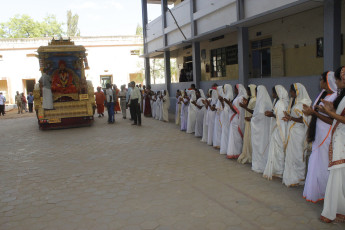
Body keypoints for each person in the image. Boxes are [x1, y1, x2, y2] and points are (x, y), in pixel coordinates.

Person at [302, 71, 338, 203]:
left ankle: (326, 192)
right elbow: (316, 111)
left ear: (327, 81)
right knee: (315, 163)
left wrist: (314, 113)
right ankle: (315, 192)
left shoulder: (335, 97)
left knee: (324, 164)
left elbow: (332, 120)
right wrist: (310, 110)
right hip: (318, 133)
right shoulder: (323, 94)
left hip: (327, 134)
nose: (320, 82)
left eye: (321, 80)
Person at [319, 66, 345, 223]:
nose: (335, 81)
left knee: (336, 173)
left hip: (342, 139)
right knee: (339, 173)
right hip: (339, 137)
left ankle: (330, 212)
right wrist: (331, 108)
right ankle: (338, 208)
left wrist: (330, 113)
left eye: (337, 78)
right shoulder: (342, 96)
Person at [282, 83, 312, 187]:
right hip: (292, 131)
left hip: (299, 132)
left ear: (297, 91)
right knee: (291, 154)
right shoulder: (294, 101)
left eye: (291, 91)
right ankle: (291, 177)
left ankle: (299, 176)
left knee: (298, 155)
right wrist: (288, 117)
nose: (290, 93)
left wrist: (290, 118)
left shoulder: (304, 103)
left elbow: (303, 119)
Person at [263, 85, 289, 180]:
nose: (272, 94)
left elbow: (281, 117)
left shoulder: (281, 103)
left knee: (279, 150)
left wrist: (272, 115)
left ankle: (280, 171)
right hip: (276, 128)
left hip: (279, 130)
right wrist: (271, 114)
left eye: (273, 92)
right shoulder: (276, 102)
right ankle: (275, 170)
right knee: (275, 150)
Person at [250, 85, 273, 173]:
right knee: (263, 146)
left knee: (260, 146)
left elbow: (259, 116)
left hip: (260, 129)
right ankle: (263, 165)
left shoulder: (261, 103)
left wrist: (252, 119)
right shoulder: (267, 102)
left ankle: (259, 166)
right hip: (263, 129)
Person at [226, 84, 247, 159]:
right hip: (234, 119)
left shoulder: (240, 98)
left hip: (236, 119)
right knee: (234, 137)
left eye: (235, 89)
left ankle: (237, 152)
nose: (234, 90)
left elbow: (235, 111)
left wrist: (229, 104)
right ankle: (234, 151)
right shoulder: (238, 97)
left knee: (236, 137)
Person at [238, 84, 256, 163]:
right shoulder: (250, 99)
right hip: (248, 122)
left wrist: (244, 106)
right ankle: (247, 153)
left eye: (248, 90)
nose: (247, 92)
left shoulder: (254, 100)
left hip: (252, 122)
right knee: (247, 139)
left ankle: (251, 155)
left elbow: (254, 112)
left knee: (250, 139)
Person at [220, 84, 234, 155]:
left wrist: (223, 101)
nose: (223, 90)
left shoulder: (229, 96)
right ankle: (225, 147)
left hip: (228, 114)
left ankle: (227, 147)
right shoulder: (225, 96)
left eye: (224, 88)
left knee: (226, 130)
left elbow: (229, 106)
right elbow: (224, 105)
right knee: (224, 130)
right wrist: (222, 101)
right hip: (225, 113)